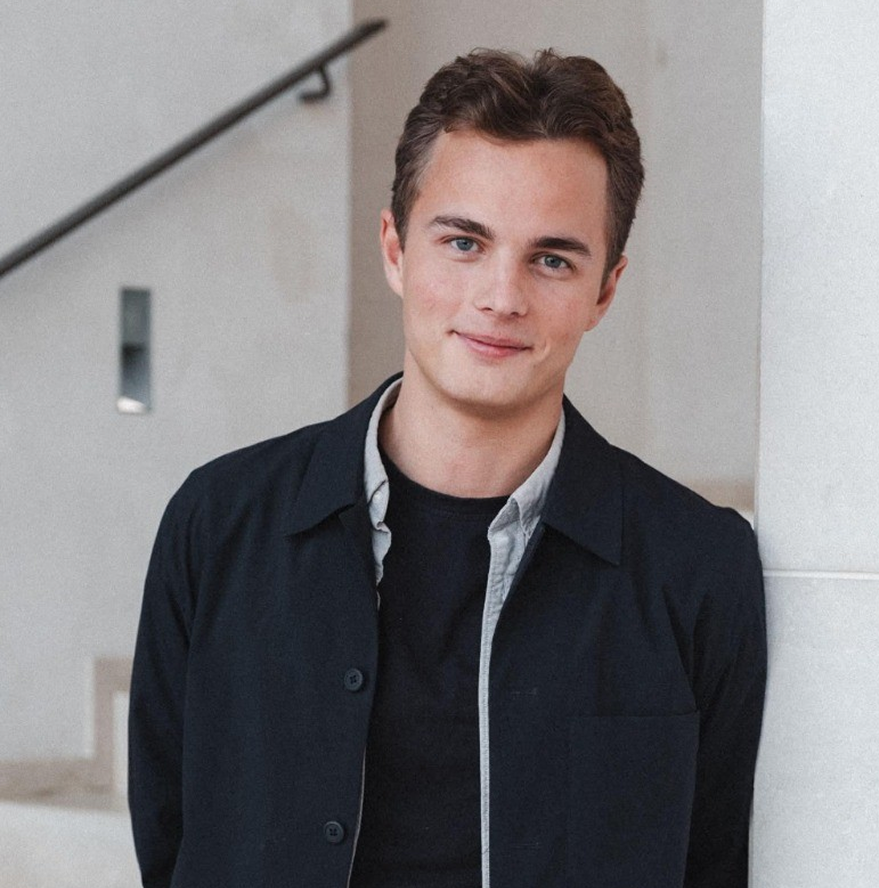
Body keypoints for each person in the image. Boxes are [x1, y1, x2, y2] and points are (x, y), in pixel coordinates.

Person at [129, 48, 766, 888]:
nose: (501, 297)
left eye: (552, 259)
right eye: (464, 242)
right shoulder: (219, 524)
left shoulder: (698, 568)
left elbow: (715, 858)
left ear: (606, 290)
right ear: (395, 250)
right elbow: (171, 839)